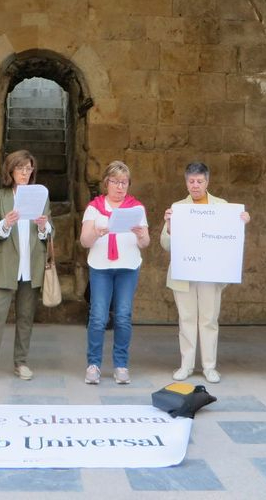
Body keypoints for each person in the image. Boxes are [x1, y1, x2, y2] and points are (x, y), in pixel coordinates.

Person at [161, 162, 250, 384]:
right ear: (186, 182)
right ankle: (186, 364)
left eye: (199, 181)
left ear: (207, 182)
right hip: (185, 271)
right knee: (187, 318)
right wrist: (170, 226)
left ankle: (209, 366)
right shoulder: (178, 207)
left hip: (210, 271)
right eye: (191, 181)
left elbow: (231, 238)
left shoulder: (222, 205)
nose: (195, 185)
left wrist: (242, 223)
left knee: (209, 319)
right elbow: (165, 243)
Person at [0, 150, 52, 386]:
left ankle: (21, 361)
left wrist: (43, 226)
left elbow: (49, 232)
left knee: (26, 317)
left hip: (31, 265)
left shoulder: (41, 196)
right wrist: (4, 223)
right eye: (20, 168)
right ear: (11, 170)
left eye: (29, 168)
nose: (25, 173)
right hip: (5, 265)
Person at [80, 161, 149, 385]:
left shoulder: (136, 207)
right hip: (101, 267)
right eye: (115, 182)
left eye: (124, 182)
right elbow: (84, 241)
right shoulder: (94, 207)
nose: (120, 187)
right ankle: (94, 364)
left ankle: (121, 365)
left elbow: (145, 242)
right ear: (106, 183)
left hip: (128, 267)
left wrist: (140, 235)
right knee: (98, 316)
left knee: (123, 315)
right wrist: (97, 233)